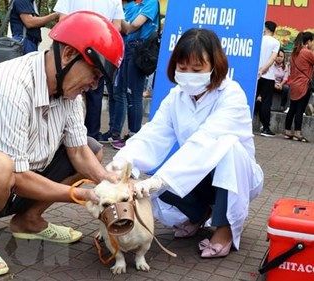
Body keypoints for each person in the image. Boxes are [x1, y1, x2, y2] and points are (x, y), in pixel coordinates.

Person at [0, 12, 124, 277]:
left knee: (92, 148)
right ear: (69, 54)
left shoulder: (68, 93)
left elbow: (79, 152)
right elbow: (15, 173)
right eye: (95, 73)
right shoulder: (10, 85)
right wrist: (81, 195)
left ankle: (28, 220)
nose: (95, 85)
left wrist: (109, 180)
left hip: (17, 183)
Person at [106, 28, 263, 259]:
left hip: (236, 177)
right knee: (157, 175)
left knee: (226, 148)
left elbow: (206, 141)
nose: (189, 74)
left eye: (197, 69)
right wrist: (121, 163)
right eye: (182, 68)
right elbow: (153, 134)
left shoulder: (232, 95)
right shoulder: (176, 97)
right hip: (198, 173)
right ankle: (198, 214)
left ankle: (225, 228)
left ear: (214, 66)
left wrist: (160, 180)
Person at [53, 0, 124, 141]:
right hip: (100, 50)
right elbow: (117, 28)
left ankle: (60, 133)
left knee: (63, 90)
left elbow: (62, 19)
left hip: (73, 48)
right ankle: (91, 136)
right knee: (94, 95)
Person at [103, 0, 159, 149]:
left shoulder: (150, 3)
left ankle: (134, 134)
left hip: (139, 50)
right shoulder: (129, 5)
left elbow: (133, 25)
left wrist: (120, 20)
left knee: (134, 94)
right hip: (125, 48)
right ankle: (115, 133)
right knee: (119, 92)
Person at [284, 31, 314, 142]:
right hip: (303, 85)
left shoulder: (294, 53)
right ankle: (297, 132)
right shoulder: (306, 52)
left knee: (292, 108)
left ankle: (287, 131)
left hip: (294, 85)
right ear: (309, 41)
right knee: (300, 110)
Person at [256, 21, 280, 137]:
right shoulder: (275, 42)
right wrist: (263, 69)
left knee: (251, 99)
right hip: (268, 76)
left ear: (265, 28)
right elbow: (272, 59)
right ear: (274, 30)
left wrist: (259, 71)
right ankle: (265, 128)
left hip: (255, 75)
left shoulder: (258, 39)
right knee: (266, 102)